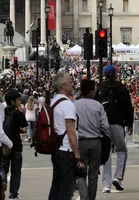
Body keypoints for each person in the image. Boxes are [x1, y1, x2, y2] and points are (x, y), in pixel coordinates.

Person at [96, 65, 133, 193]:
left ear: (105, 75)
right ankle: (118, 177)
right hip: (118, 123)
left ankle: (106, 185)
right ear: (115, 74)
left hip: (103, 124)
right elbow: (128, 107)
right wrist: (130, 123)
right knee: (121, 150)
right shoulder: (121, 89)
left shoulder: (99, 88)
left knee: (106, 153)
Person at [48, 72, 84, 200]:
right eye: (70, 82)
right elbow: (71, 131)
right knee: (67, 188)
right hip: (66, 149)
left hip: (57, 148)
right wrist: (77, 155)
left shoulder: (54, 101)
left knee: (56, 185)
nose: (72, 84)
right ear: (63, 86)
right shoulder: (67, 104)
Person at [75, 79, 110, 200]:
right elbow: (105, 126)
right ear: (91, 92)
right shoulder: (98, 106)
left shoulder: (75, 105)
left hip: (80, 142)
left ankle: (84, 197)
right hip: (95, 141)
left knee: (80, 173)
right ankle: (92, 198)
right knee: (93, 175)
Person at [0, 90, 28, 200]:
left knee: (2, 168)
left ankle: (2, 181)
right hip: (16, 145)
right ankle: (13, 195)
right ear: (12, 101)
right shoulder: (18, 114)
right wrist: (18, 130)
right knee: (16, 171)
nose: (19, 101)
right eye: (17, 100)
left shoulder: (1, 113)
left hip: (3, 144)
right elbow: (25, 129)